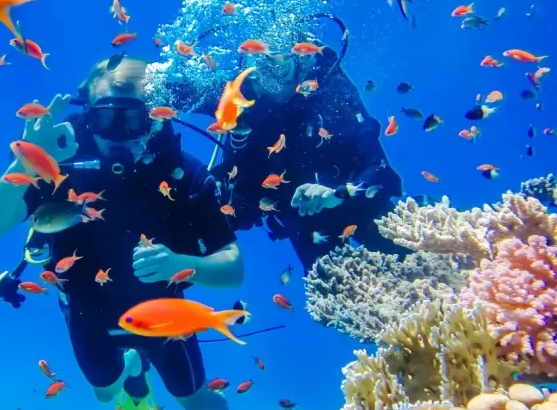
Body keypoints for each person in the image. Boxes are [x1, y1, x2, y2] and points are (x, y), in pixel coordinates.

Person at [0, 56, 259, 410]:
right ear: (87, 115)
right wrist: (27, 163)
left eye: (133, 119)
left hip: (166, 318)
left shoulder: (182, 174)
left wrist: (187, 264)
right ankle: (133, 368)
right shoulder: (56, 165)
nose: (119, 135)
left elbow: (234, 269)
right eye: (106, 119)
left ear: (155, 117)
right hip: (89, 313)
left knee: (196, 402)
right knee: (105, 395)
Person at [172, 43, 406, 272]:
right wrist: (140, 89)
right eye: (263, 69)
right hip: (302, 220)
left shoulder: (329, 94)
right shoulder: (241, 97)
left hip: (362, 204)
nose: (272, 80)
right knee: (334, 296)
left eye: (280, 68)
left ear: (300, 63)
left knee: (417, 266)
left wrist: (338, 194)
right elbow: (172, 93)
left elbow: (382, 170)